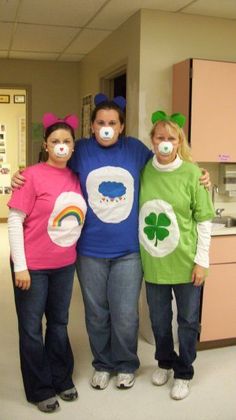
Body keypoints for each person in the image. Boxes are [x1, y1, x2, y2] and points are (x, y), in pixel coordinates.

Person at [11, 94, 211, 391]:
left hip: (129, 250)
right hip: (89, 250)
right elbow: (55, 163)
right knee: (96, 313)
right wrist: (22, 175)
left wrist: (201, 174)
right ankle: (102, 364)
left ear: (121, 126)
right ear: (91, 127)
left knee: (125, 312)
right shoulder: (80, 151)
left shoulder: (135, 150)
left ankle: (126, 364)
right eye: (101, 123)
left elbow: (165, 163)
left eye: (112, 123)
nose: (106, 128)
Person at [8, 113, 87, 413]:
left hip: (64, 265)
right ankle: (39, 388)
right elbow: (15, 221)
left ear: (73, 147)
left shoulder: (75, 178)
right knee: (31, 328)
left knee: (59, 323)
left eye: (67, 141)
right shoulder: (30, 176)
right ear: (46, 145)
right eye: (55, 141)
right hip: (33, 267)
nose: (61, 146)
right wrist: (20, 266)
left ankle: (61, 377)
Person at [139, 110, 215, 400]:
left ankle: (184, 372)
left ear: (179, 140)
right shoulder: (145, 170)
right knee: (159, 319)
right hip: (155, 260)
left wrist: (202, 261)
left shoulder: (194, 174)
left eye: (171, 138)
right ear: (153, 141)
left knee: (187, 320)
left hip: (186, 262)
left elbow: (204, 220)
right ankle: (165, 361)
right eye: (160, 137)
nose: (166, 143)